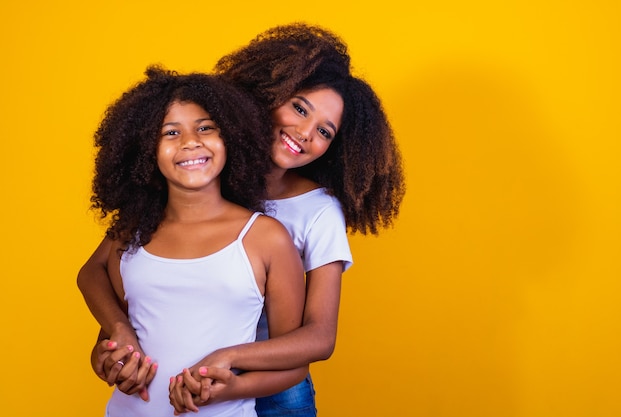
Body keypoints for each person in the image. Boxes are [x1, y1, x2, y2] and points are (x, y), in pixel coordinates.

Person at [77, 22, 406, 416]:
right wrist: (115, 336)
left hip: (274, 382)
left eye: (324, 131)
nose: (303, 132)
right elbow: (122, 280)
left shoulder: (314, 212)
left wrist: (232, 361)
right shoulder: (203, 180)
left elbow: (320, 336)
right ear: (269, 94)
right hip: (182, 383)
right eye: (299, 108)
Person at [86, 66, 307, 417]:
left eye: (205, 128)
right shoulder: (134, 232)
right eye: (170, 132)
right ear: (145, 150)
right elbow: (93, 281)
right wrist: (112, 347)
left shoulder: (265, 237)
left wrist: (231, 388)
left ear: (231, 138)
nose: (190, 142)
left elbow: (295, 363)